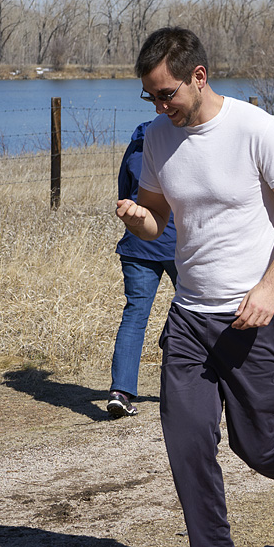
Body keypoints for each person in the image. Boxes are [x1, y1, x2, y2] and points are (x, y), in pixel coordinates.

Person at [115, 27, 274, 545]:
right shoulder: (157, 136)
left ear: (198, 76)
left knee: (260, 448)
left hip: (255, 318)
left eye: (167, 94)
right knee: (187, 448)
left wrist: (270, 287)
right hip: (189, 318)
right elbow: (157, 219)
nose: (160, 107)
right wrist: (139, 219)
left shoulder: (257, 128)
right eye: (150, 97)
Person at [107, 121, 177, 418]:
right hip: (178, 244)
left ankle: (120, 392)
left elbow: (123, 196)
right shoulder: (181, 142)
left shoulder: (135, 144)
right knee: (195, 308)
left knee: (134, 316)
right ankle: (174, 339)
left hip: (137, 243)